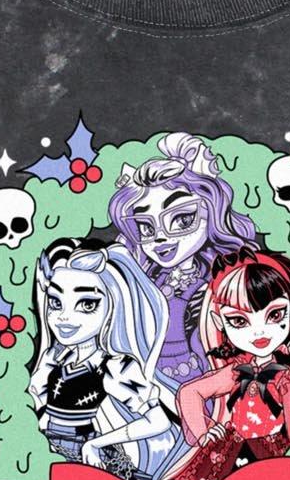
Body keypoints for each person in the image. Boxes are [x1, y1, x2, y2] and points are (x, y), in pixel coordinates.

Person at [158, 247, 290, 480]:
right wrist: (203, 432)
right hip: (231, 451)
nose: (259, 332)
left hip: (270, 454)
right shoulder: (237, 371)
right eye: (239, 321)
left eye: (274, 315)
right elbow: (190, 392)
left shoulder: (288, 378)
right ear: (219, 322)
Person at [29, 241, 185, 480]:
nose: (64, 317)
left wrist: (97, 443)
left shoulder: (113, 366)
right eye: (56, 302)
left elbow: (158, 421)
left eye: (87, 304)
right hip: (47, 452)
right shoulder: (55, 357)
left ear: (113, 306)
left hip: (84, 458)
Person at [107, 132, 258, 385]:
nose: (160, 237)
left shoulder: (222, 282)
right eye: (146, 226)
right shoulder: (147, 276)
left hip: (202, 389)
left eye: (181, 219)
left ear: (211, 211)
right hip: (144, 386)